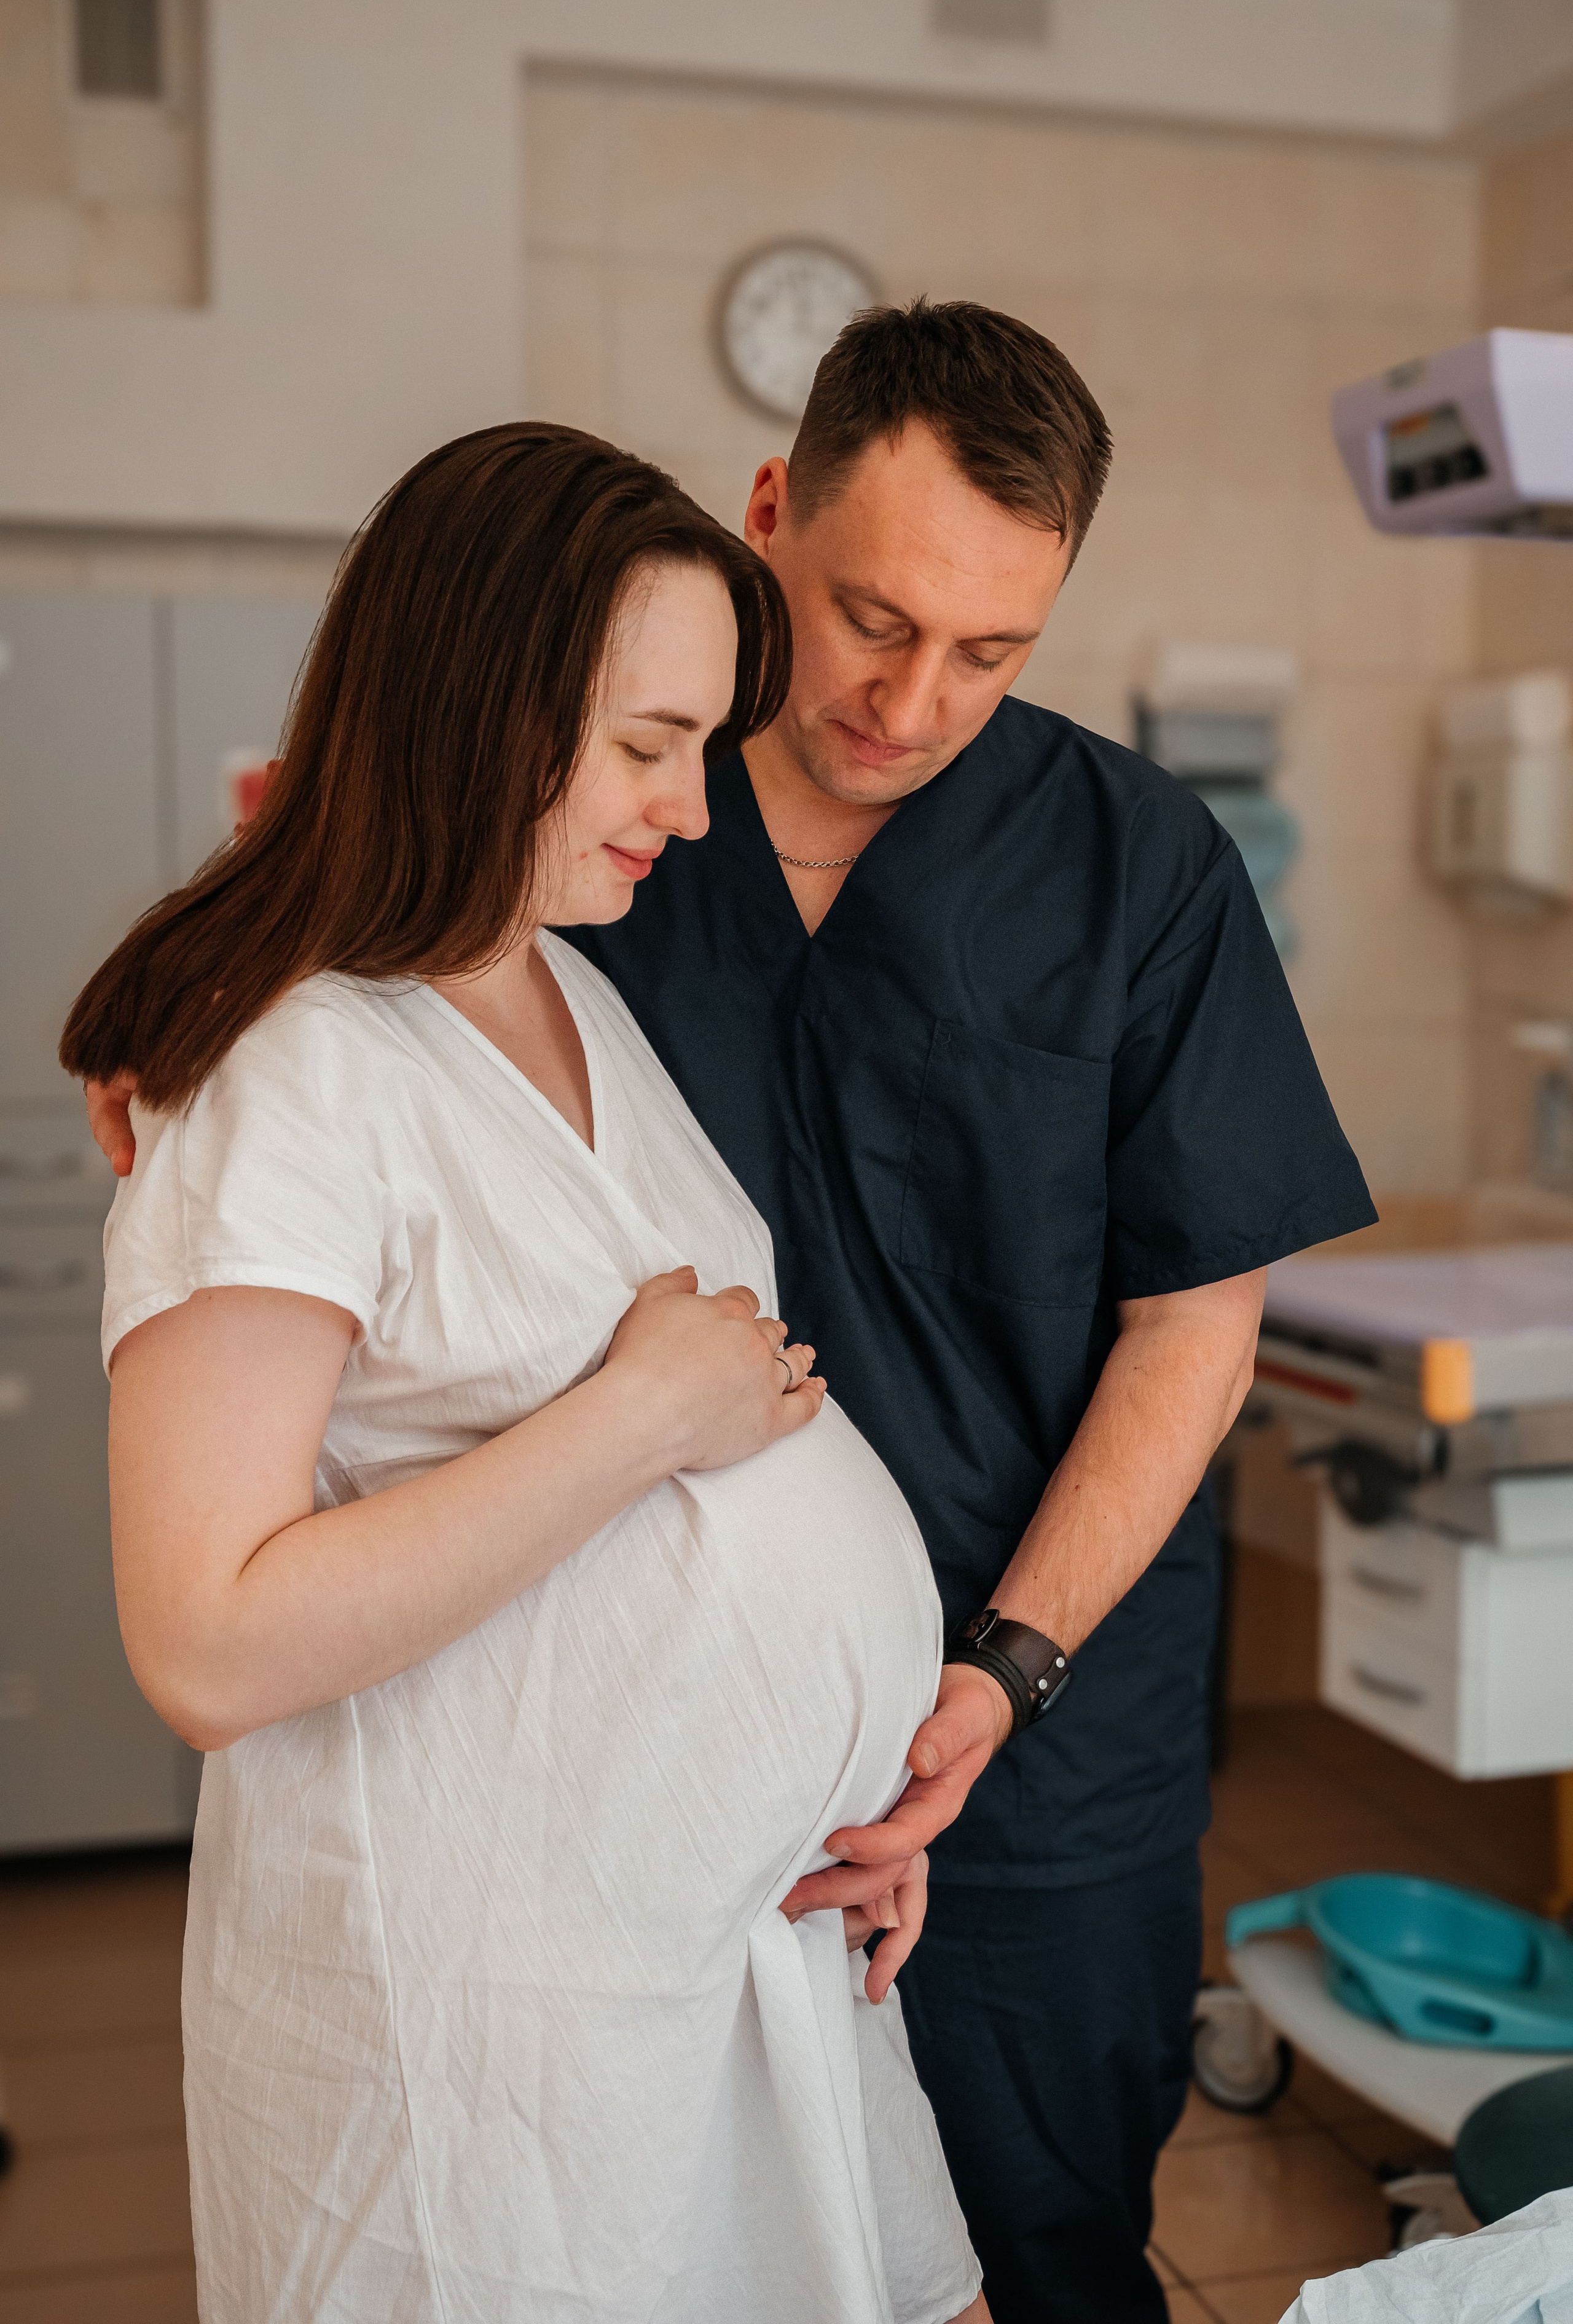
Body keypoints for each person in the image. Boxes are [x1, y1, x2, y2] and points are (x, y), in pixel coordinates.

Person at [87, 304, 1377, 2323]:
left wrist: (986, 1680)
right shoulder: (577, 855)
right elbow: (317, 988)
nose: (913, 697)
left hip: (1020, 1761)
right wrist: (188, 1022)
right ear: (774, 512)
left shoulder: (1128, 872)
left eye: (993, 652)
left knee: (1035, 2238)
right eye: (872, 616)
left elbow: (1195, 1324)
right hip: (599, 1844)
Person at [63, 425, 988, 2324]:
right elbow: (208, 1644)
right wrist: (644, 1414)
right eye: (647, 748)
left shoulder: (560, 982)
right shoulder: (295, 1065)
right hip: (495, 2056)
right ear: (477, 706)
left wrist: (819, 1791)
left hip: (736, 1949)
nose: (694, 811)